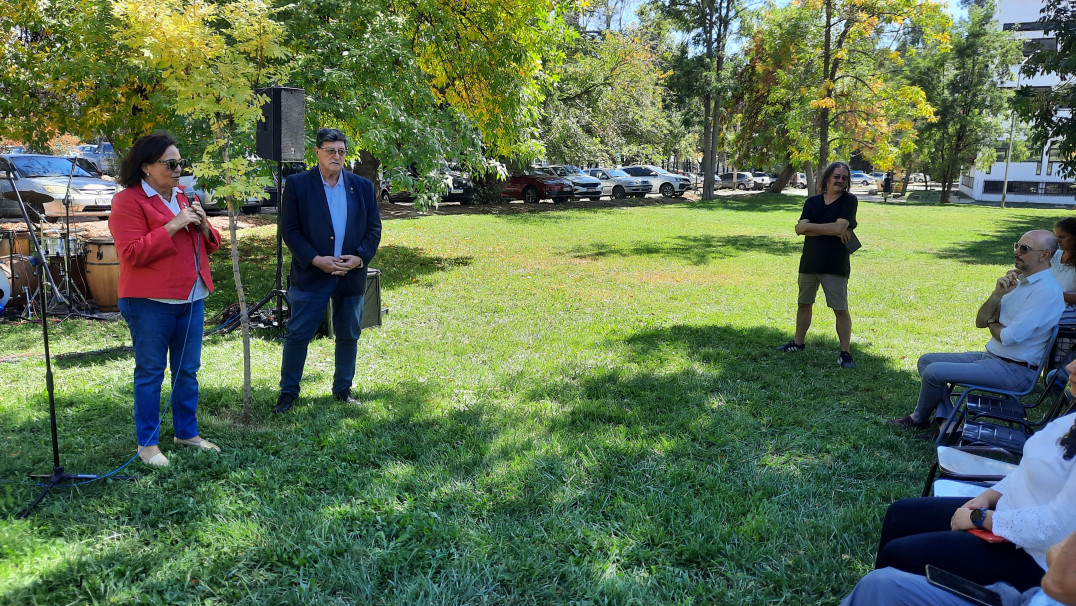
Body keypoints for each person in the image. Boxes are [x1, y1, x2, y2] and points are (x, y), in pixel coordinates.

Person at [869, 403, 1076, 593]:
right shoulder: (1070, 419)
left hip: (1036, 559)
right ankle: (871, 595)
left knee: (898, 554)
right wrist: (985, 497)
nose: (1070, 367)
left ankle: (883, 592)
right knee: (899, 515)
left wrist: (980, 518)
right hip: (1002, 516)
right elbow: (1025, 473)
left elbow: (1057, 526)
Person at [110, 133, 223, 467]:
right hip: (149, 301)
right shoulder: (128, 202)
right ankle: (147, 444)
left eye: (179, 164)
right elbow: (131, 254)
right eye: (170, 164)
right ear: (146, 167)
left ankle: (186, 432)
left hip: (192, 297)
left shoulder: (185, 196)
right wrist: (173, 225)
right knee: (151, 372)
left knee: (187, 371)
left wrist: (203, 226)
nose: (178, 170)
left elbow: (211, 243)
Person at [887, 230, 1064, 432]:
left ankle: (919, 418)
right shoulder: (1019, 283)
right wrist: (997, 295)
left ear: (1045, 255)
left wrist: (992, 321)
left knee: (934, 372)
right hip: (993, 358)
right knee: (927, 361)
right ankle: (948, 422)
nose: (1017, 252)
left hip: (1016, 371)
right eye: (1017, 246)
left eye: (1024, 249)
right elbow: (980, 321)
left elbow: (1008, 337)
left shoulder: (1046, 292)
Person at [274, 128, 381, 414]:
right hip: (312, 274)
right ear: (317, 152)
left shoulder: (362, 186)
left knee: (348, 333)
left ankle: (343, 390)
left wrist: (359, 258)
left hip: (351, 275)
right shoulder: (297, 184)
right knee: (298, 334)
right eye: (331, 150)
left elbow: (373, 230)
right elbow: (291, 230)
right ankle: (288, 394)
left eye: (342, 151)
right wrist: (314, 259)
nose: (337, 156)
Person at [841, 528, 1076, 605]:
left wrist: (980, 517)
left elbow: (1058, 577)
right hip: (1025, 597)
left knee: (881, 583)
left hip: (1029, 567)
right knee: (881, 582)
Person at [776, 161, 859, 369]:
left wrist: (810, 227)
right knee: (804, 303)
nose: (840, 180)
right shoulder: (812, 202)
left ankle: (845, 353)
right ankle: (798, 343)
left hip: (835, 264)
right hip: (810, 262)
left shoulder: (849, 201)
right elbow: (798, 229)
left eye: (844, 177)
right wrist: (830, 229)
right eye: (837, 176)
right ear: (827, 178)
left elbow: (839, 227)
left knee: (840, 309)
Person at [1051, 218, 1076, 325]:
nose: (1057, 240)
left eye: (1062, 237)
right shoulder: (1056, 255)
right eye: (1056, 236)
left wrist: (1058, 295)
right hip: (1052, 302)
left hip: (1070, 308)